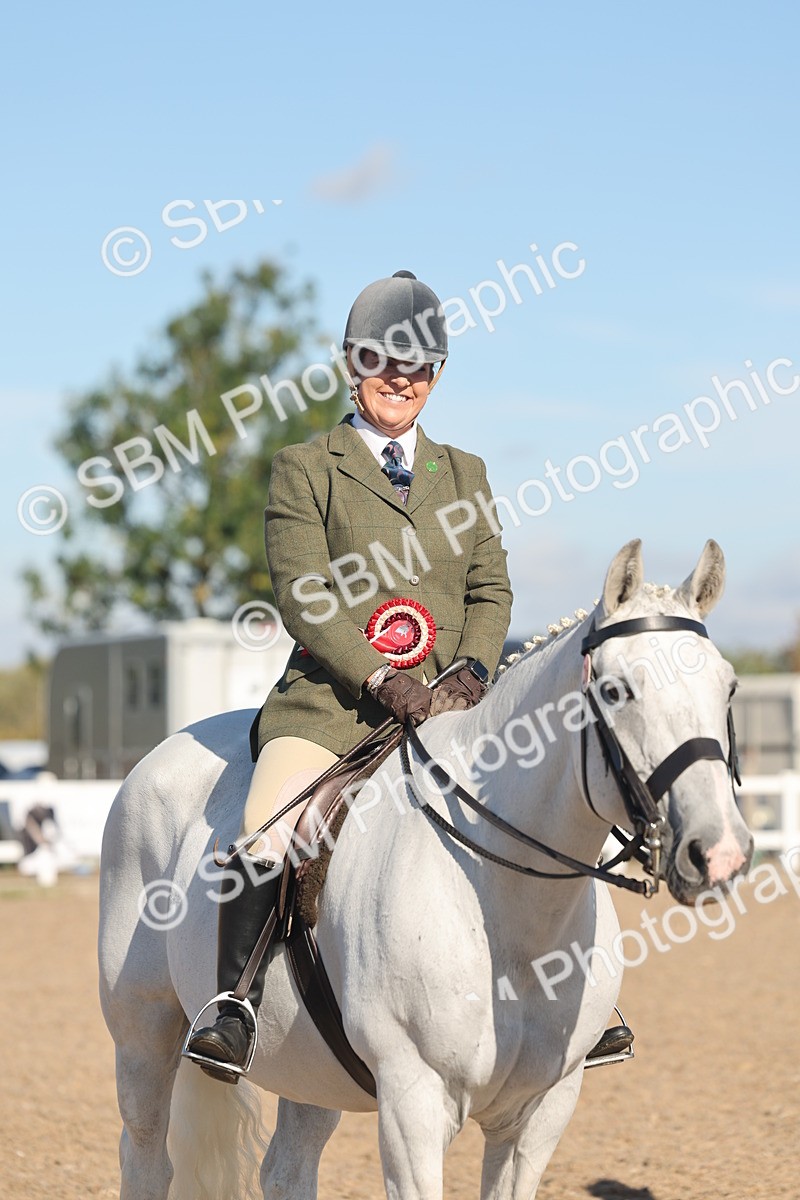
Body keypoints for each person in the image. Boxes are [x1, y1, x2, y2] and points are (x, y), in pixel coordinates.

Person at [186, 270, 513, 1077]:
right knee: (267, 824)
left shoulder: (464, 472)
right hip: (333, 707)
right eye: (380, 359)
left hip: (447, 707)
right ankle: (235, 1004)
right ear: (349, 363)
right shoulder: (306, 467)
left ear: (436, 376)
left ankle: (572, 1001)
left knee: (538, 801)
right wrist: (381, 678)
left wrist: (469, 671)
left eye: (418, 365)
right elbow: (305, 596)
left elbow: (490, 588)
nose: (398, 378)